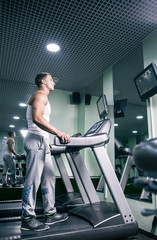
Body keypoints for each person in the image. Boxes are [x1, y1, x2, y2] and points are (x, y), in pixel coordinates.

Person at [21, 72, 71, 231]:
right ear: (43, 81)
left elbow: (38, 120)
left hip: (42, 140)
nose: (54, 83)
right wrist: (58, 132)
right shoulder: (40, 95)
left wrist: (46, 139)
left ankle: (50, 213)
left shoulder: (42, 97)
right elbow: (37, 118)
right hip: (35, 140)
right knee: (33, 180)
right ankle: (27, 218)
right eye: (51, 80)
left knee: (49, 177)